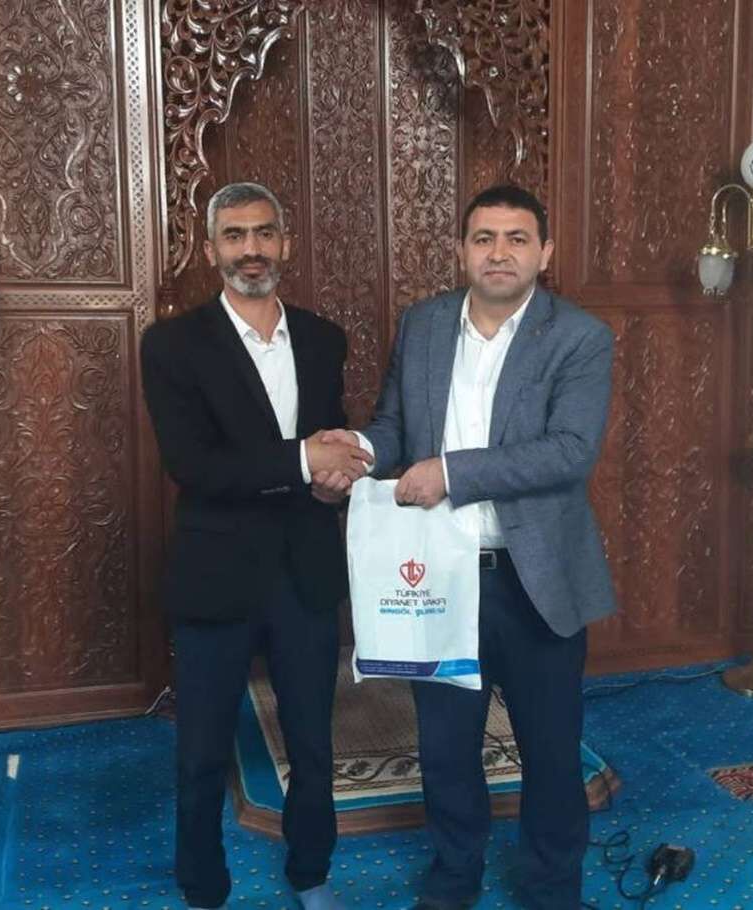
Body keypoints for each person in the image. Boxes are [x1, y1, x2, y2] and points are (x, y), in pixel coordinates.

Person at [316, 184, 616, 909]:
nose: (499, 253)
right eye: (484, 238)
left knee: (550, 747)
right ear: (461, 250)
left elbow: (569, 451)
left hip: (534, 577)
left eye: (517, 238)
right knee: (446, 747)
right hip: (440, 578)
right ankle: (454, 877)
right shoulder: (423, 325)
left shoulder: (579, 337)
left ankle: (550, 888)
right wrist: (355, 451)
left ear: (545, 251)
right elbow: (395, 426)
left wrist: (450, 474)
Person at [140, 182, 371, 910]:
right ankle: (203, 886)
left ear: (285, 244)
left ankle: (312, 873)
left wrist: (333, 484)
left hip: (305, 569)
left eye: (264, 233)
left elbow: (331, 440)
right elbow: (194, 467)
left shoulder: (323, 338)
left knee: (312, 743)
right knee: (203, 750)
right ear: (211, 250)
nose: (251, 249)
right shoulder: (172, 344)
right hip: (217, 573)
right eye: (234, 235)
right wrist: (304, 461)